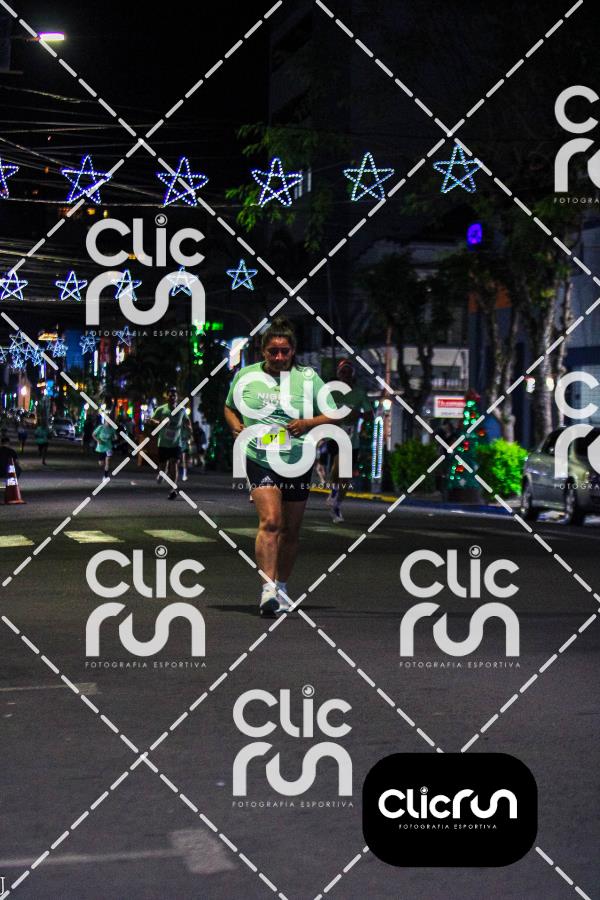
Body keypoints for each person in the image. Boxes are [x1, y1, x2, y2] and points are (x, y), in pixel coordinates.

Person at [224, 316, 340, 617]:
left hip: (297, 459)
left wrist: (307, 423)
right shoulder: (246, 376)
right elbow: (229, 406)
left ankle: (282, 587)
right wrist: (235, 425)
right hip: (259, 456)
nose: (278, 357)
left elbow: (333, 413)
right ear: (263, 351)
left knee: (290, 530)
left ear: (293, 351)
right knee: (272, 521)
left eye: (284, 351)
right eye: (273, 351)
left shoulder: (307, 378)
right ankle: (267, 589)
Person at [327, 358, 372, 523]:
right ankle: (333, 490)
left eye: (348, 372)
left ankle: (337, 506)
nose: (345, 374)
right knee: (336, 468)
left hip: (352, 440)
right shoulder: (332, 391)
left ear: (353, 374)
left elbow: (370, 415)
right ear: (338, 374)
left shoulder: (359, 393)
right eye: (342, 372)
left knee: (345, 476)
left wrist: (357, 414)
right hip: (335, 435)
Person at [149, 387, 190, 500]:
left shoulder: (181, 410)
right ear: (167, 397)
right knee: (163, 466)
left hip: (176, 443)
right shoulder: (161, 409)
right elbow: (151, 420)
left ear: (177, 397)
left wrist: (189, 429)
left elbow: (187, 421)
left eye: (174, 395)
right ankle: (161, 474)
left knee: (174, 464)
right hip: (163, 443)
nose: (172, 397)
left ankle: (172, 489)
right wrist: (160, 423)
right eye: (170, 395)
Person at [179, 416, 193, 482]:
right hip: (178, 445)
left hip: (185, 445)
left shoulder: (188, 429)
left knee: (184, 459)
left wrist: (189, 440)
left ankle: (184, 475)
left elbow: (191, 438)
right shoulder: (179, 428)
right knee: (177, 460)